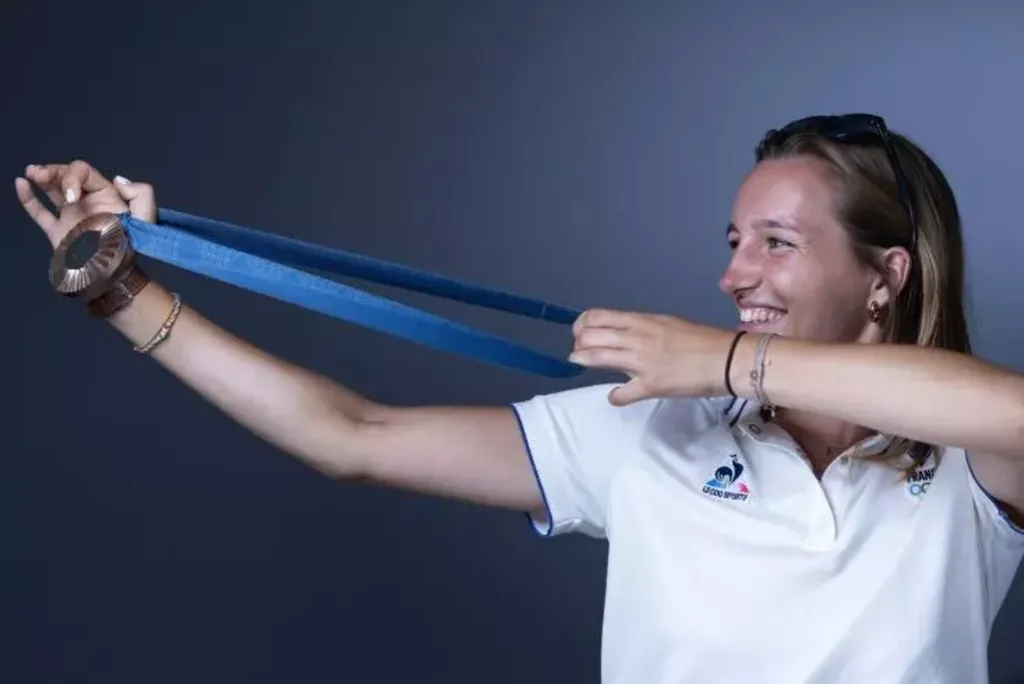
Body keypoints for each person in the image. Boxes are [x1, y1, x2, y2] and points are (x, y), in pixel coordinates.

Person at [16, 113, 1024, 683]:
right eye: (733, 242)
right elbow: (351, 434)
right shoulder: (650, 425)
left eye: (778, 243)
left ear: (885, 276)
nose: (735, 275)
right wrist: (122, 292)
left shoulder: (969, 463)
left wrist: (727, 360)